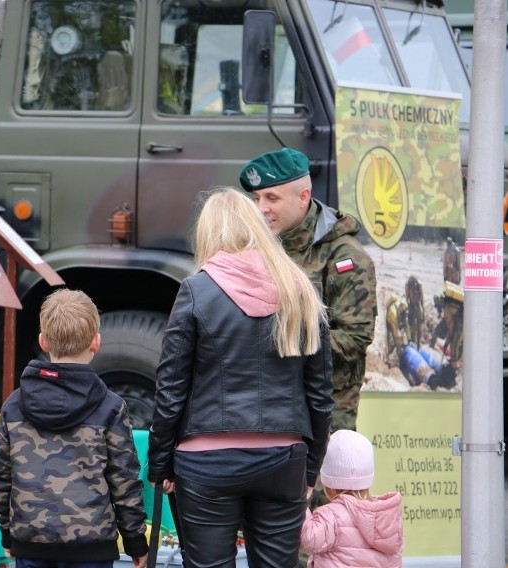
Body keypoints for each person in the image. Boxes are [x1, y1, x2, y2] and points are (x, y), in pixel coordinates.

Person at [148, 187, 333, 568]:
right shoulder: (300, 291)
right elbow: (320, 395)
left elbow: (171, 388)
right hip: (284, 459)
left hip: (206, 462)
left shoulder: (196, 291)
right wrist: (310, 468)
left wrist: (161, 464)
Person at [0, 289, 149, 568]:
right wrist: (135, 539)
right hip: (92, 548)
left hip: (31, 544)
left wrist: (7, 533)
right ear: (96, 342)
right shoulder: (110, 407)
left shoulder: (14, 405)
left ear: (43, 341)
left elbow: (2, 477)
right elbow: (124, 482)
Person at [240, 148, 377, 434]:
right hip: (262, 412)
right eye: (257, 199)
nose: (261, 208)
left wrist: (283, 341)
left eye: (272, 198)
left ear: (303, 197)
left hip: (320, 417)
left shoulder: (343, 257)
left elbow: (355, 338)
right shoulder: (257, 248)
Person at [300, 430, 403, 567]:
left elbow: (306, 540)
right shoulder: (387, 516)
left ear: (329, 485)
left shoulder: (332, 516)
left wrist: (301, 498)